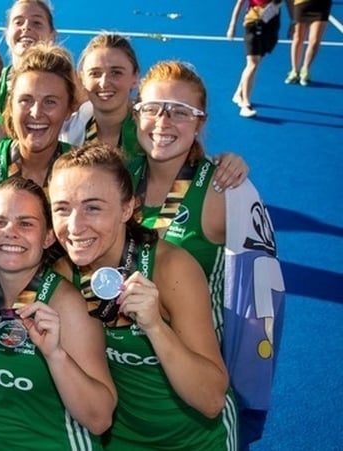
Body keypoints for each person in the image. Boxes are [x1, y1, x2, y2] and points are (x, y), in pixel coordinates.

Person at [129, 60, 284, 449]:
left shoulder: (224, 190)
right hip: (128, 395)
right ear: (137, 113)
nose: (164, 121)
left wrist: (250, 384)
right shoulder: (119, 178)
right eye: (153, 108)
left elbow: (263, 300)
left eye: (181, 112)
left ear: (200, 123)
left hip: (194, 404)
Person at [48, 142, 234, 449]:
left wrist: (156, 328)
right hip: (118, 440)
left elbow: (212, 399)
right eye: (62, 208)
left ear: (127, 208)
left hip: (195, 441)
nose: (75, 226)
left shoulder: (171, 269)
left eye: (93, 207)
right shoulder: (63, 273)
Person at [0, 177, 116, 450]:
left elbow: (100, 419)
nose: (10, 232)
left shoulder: (67, 305)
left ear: (48, 237)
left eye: (26, 223)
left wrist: (55, 355)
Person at [69, 32, 248, 192]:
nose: (104, 82)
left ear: (135, 77)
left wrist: (230, 163)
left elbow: (186, 155)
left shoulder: (152, 129)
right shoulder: (70, 125)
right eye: (95, 73)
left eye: (116, 72)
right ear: (81, 79)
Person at [0, 42, 76, 193]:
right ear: (10, 106)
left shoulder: (84, 171)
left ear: (69, 109)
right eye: (26, 100)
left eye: (50, 102)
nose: (36, 113)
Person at [227, 0, 282, 117]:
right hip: (253, 23)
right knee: (252, 64)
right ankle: (245, 105)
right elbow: (239, 3)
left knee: (255, 63)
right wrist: (232, 26)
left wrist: (293, 21)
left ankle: (238, 93)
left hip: (270, 25)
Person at [284, 0, 331, 86]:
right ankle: (295, 70)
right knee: (298, 37)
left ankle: (305, 69)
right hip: (301, 4)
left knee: (315, 41)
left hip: (322, 6)